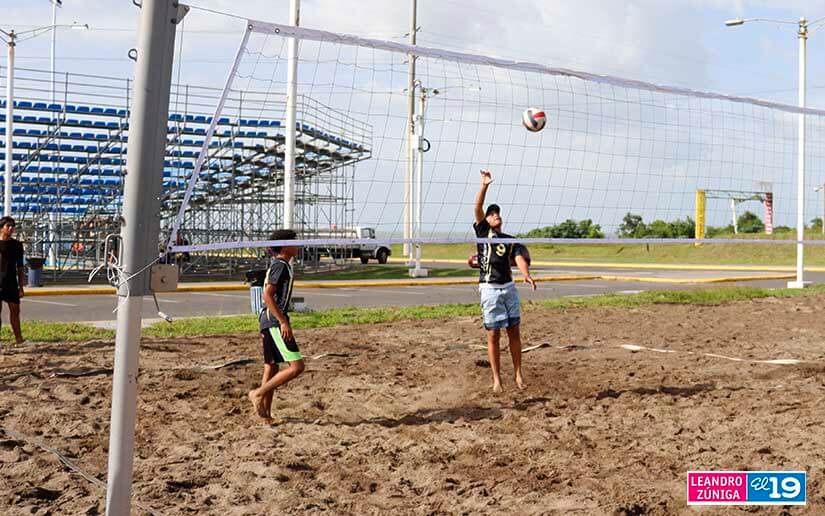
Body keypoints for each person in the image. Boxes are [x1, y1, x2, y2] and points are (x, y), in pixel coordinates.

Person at [473, 169, 536, 392]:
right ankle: (497, 379)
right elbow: (477, 208)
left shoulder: (510, 240)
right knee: (493, 334)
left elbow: (518, 256)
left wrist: (525, 274)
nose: (495, 214)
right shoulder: (483, 233)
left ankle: (518, 374)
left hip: (509, 287)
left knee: (514, 331)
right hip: (489, 288)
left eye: (497, 213)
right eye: (492, 213)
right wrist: (484, 185)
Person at [247, 229, 305, 421]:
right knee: (297, 367)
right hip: (273, 320)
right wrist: (282, 321)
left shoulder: (281, 265)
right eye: (294, 242)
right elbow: (267, 295)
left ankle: (266, 415)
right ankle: (258, 393)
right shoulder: (280, 265)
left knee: (271, 367)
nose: (297, 245)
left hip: (269, 319)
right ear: (285, 245)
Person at [0, 216, 26, 346]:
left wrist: (21, 286)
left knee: (15, 311)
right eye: (7, 226)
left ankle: (19, 339)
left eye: (12, 226)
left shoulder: (17, 245)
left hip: (10, 281)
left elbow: (20, 266)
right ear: (1, 228)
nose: (10, 228)